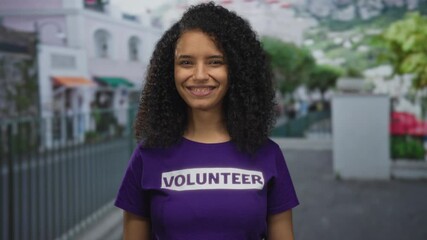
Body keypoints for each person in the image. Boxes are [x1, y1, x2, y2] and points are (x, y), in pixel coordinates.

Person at [114, 2, 299, 239]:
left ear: (237, 70)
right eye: (186, 62)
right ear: (170, 71)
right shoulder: (147, 156)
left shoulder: (267, 154)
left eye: (215, 61)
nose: (199, 76)